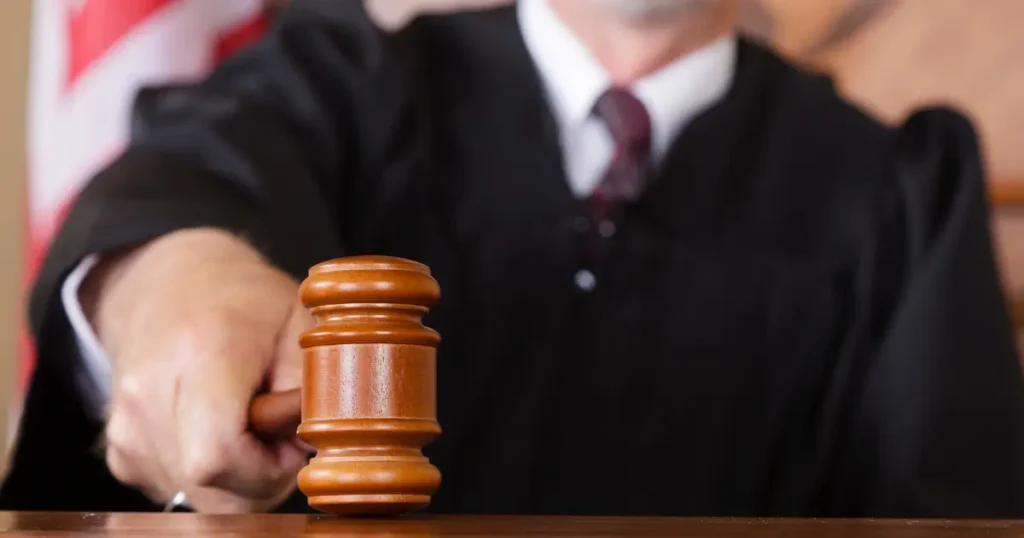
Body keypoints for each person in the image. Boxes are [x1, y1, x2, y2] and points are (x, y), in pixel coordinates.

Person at [3, 0, 1024, 518]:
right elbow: (178, 192)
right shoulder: (342, 85)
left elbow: (948, 514)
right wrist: (174, 292)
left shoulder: (897, 189)